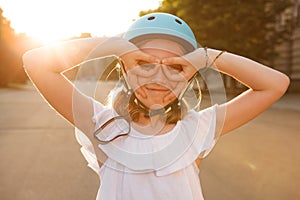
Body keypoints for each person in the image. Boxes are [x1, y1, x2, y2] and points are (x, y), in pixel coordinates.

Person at [23, 12, 289, 200]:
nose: (159, 77)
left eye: (176, 67)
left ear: (189, 76)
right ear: (124, 71)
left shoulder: (198, 128)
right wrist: (115, 46)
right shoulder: (101, 124)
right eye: (144, 64)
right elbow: (36, 62)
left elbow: (275, 84)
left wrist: (207, 57)